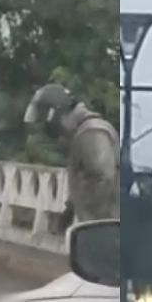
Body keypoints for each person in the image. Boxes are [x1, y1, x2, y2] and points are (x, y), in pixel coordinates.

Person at [23, 84, 119, 226]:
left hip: (106, 228)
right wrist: (72, 208)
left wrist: (94, 221)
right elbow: (88, 178)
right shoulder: (82, 133)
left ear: (55, 115)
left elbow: (104, 178)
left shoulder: (91, 133)